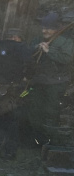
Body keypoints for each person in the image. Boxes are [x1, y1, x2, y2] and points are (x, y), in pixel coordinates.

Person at [25, 12, 74, 144]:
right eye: (43, 27)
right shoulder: (37, 39)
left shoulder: (66, 42)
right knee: (34, 110)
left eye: (49, 27)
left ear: (57, 28)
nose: (44, 30)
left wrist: (49, 51)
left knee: (51, 111)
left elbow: (67, 59)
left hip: (56, 83)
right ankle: (36, 140)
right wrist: (37, 48)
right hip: (38, 80)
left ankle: (50, 142)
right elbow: (28, 54)